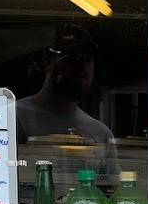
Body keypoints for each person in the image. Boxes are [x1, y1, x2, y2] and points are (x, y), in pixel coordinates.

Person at [16, 25, 120, 179]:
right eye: (73, 58)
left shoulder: (100, 133)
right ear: (48, 61)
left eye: (87, 59)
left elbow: (112, 190)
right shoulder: (13, 118)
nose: (82, 66)